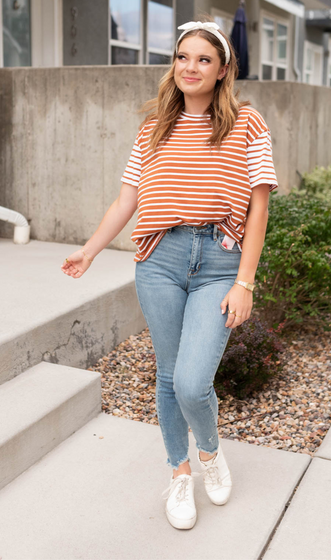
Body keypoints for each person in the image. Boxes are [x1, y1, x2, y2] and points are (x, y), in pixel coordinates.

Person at [61, 16, 279, 531]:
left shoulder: (248, 123)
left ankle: (209, 452)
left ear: (224, 69)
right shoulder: (154, 125)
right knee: (167, 374)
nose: (191, 67)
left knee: (191, 380)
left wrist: (245, 281)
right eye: (183, 57)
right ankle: (179, 472)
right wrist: (91, 250)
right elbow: (127, 200)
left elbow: (259, 206)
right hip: (159, 260)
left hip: (220, 262)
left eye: (204, 59)